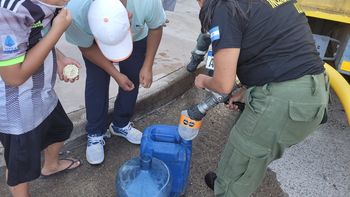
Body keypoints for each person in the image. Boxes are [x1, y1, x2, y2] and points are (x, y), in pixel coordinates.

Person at [193, 0, 330, 196]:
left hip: (286, 101)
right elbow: (273, 46)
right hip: (311, 88)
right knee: (241, 144)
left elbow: (223, 84)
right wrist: (248, 93)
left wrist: (204, 80)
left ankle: (228, 187)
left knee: (244, 164)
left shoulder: (225, 8)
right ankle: (225, 179)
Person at [65, 0, 166, 165]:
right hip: (93, 44)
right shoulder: (76, 11)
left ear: (128, 16)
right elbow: (85, 47)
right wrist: (115, 74)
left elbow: (156, 28)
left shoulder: (147, 2)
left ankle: (121, 123)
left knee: (133, 77)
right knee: (96, 83)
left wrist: (147, 65)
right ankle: (96, 133)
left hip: (137, 38)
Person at [0, 1, 81, 196]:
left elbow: (36, 37)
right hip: (17, 109)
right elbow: (13, 77)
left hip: (42, 92)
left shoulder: (53, 4)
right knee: (21, 167)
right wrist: (57, 31)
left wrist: (60, 59)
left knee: (60, 129)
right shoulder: (11, 11)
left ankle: (51, 165)